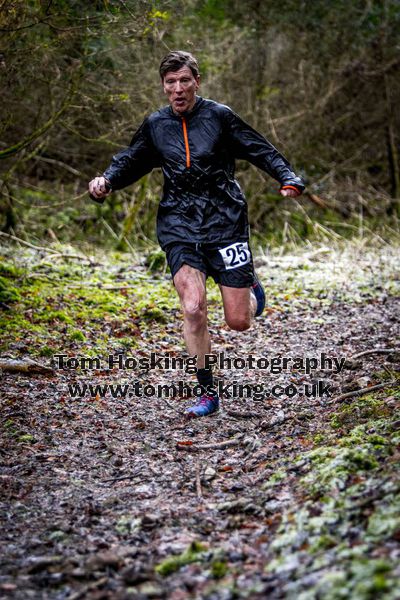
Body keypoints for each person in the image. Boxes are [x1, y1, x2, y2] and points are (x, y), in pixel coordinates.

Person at [89, 50, 304, 418]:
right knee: (193, 307)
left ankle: (251, 287)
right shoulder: (156, 125)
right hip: (179, 224)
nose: (178, 89)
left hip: (226, 221)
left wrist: (287, 176)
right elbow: (132, 159)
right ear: (163, 87)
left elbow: (260, 148)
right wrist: (107, 180)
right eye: (170, 83)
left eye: (184, 81)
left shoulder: (219, 117)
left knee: (239, 322)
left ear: (196, 82)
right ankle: (207, 392)